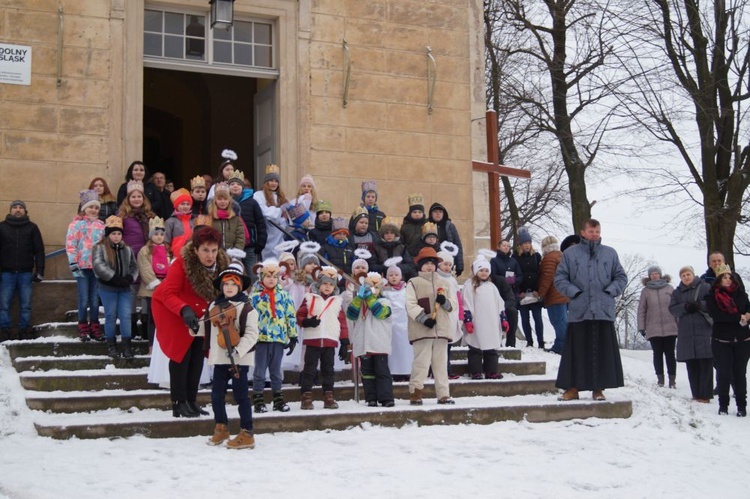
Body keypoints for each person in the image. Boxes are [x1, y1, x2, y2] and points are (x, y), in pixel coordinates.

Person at [152, 226, 229, 418]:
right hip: (173, 310)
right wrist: (184, 309)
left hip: (201, 312)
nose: (210, 255)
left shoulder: (221, 265)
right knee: (181, 354)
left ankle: (192, 401)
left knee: (197, 355)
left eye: (213, 250)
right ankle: (178, 403)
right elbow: (169, 293)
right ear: (195, 249)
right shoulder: (181, 264)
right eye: (205, 250)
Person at [554, 219, 626, 401]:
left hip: (602, 310)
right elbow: (560, 278)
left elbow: (621, 277)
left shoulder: (610, 253)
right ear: (583, 232)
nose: (595, 234)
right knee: (576, 352)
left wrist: (610, 291)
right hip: (579, 310)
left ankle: (598, 389)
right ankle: (572, 388)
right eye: (591, 231)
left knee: (601, 351)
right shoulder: (570, 254)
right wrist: (574, 292)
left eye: (597, 231)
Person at [204, 260, 259, 449]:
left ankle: (247, 432)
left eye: (233, 284)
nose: (229, 287)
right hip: (220, 357)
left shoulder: (247, 307)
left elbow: (252, 334)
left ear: (240, 286)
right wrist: (193, 328)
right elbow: (208, 329)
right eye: (226, 284)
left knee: (241, 395)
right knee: (216, 394)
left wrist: (237, 351)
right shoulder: (214, 305)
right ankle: (221, 427)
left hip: (240, 359)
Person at [406, 247, 457, 405]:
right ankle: (416, 392)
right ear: (420, 265)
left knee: (441, 365)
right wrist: (423, 318)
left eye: (432, 263)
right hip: (422, 330)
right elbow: (410, 304)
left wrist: (445, 302)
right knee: (421, 363)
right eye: (426, 263)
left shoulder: (444, 283)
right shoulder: (414, 283)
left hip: (441, 330)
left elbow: (453, 305)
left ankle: (443, 394)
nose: (430, 266)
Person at [297, 266, 349, 410]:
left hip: (329, 340)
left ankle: (328, 395)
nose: (328, 287)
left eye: (331, 284)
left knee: (328, 370)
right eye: (325, 283)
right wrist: (307, 322)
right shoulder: (310, 298)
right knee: (309, 369)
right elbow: (300, 315)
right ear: (319, 284)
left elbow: (342, 322)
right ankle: (306, 395)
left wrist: (344, 341)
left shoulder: (337, 301)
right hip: (313, 339)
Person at [250, 259, 298, 413]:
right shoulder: (255, 297)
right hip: (261, 338)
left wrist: (292, 336)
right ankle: (258, 399)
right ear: (261, 277)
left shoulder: (284, 296)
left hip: (278, 338)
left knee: (276, 371)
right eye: (267, 276)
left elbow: (290, 315)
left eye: (274, 276)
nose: (271, 279)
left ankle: (278, 399)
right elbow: (249, 317)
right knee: (259, 370)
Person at [705, 264, 750, 417]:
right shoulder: (712, 297)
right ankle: (723, 405)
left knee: (739, 373)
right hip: (721, 339)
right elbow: (717, 316)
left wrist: (747, 316)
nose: (727, 280)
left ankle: (741, 406)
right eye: (724, 277)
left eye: (729, 277)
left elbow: (747, 309)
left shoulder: (741, 295)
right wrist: (739, 317)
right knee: (724, 373)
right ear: (718, 280)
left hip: (743, 339)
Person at [92, 216, 139, 358]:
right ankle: (111, 345)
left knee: (125, 316)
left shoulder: (127, 249)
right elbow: (99, 265)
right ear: (108, 234)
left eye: (119, 233)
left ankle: (126, 345)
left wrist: (130, 278)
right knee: (111, 316)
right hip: (108, 287)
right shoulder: (100, 248)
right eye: (113, 233)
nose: (116, 236)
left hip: (124, 288)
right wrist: (113, 278)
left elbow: (133, 266)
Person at [347, 272, 394, 407]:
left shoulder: (385, 302)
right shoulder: (360, 303)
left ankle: (386, 398)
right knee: (367, 373)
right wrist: (358, 299)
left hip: (379, 342)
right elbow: (350, 315)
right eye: (368, 286)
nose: (372, 289)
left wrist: (370, 299)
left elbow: (380, 313)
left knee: (382, 371)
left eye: (375, 287)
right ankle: (371, 397)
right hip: (363, 343)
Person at [0, 200, 45, 342]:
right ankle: (5, 331)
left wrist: (39, 270)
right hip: (6, 273)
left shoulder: (32, 228)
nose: (18, 210)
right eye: (15, 207)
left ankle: (23, 330)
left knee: (25, 305)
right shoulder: (2, 227)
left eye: (20, 207)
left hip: (25, 273)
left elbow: (39, 251)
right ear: (10, 210)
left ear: (25, 211)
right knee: (4, 305)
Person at [668, 265, 713, 403]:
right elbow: (672, 309)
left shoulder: (705, 287)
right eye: (683, 275)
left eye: (688, 274)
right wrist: (685, 307)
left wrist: (700, 305)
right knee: (691, 364)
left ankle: (705, 395)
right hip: (686, 332)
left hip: (703, 330)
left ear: (693, 275)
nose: (686, 277)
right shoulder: (677, 292)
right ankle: (696, 393)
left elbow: (712, 303)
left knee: (705, 363)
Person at [66, 190, 105, 342]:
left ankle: (94, 325)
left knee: (95, 299)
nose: (93, 210)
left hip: (95, 267)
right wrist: (73, 263)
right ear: (84, 208)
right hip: (82, 267)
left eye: (96, 207)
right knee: (84, 298)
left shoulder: (101, 226)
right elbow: (71, 245)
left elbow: (104, 246)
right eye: (91, 207)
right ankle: (83, 326)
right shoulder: (76, 225)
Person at [119, 180, 155, 341]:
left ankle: (146, 322)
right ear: (128, 199)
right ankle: (132, 324)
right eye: (133, 196)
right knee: (132, 292)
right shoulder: (123, 217)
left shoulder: (149, 216)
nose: (136, 199)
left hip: (147, 258)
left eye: (139, 196)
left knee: (147, 292)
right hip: (131, 258)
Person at [462, 255, 505, 379]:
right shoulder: (470, 285)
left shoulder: (492, 287)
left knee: (491, 348)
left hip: (491, 322)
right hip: (477, 321)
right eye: (481, 270)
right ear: (476, 271)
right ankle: (475, 371)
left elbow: (500, 304)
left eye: (486, 271)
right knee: (475, 347)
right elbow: (467, 303)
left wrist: (503, 319)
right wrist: (468, 320)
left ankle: (491, 371)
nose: (484, 273)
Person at [637, 265, 679, 388]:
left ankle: (672, 380)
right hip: (653, 327)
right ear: (649, 277)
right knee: (657, 354)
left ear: (660, 275)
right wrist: (641, 326)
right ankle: (660, 379)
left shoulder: (670, 288)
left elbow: (676, 307)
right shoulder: (645, 291)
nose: (654, 275)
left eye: (656, 273)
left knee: (670, 354)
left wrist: (679, 324)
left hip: (670, 326)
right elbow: (641, 310)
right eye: (652, 274)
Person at [136, 217, 171, 348]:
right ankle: (151, 345)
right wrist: (156, 284)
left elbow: (172, 266)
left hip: (166, 288)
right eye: (156, 234)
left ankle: (164, 345)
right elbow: (145, 268)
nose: (159, 237)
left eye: (161, 234)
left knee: (164, 319)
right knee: (153, 318)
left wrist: (168, 284)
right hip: (152, 290)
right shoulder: (145, 251)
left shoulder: (168, 250)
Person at [228, 170, 267, 281]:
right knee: (233, 274)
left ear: (243, 186)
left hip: (249, 246)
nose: (235, 186)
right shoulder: (225, 202)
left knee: (253, 275)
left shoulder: (252, 202)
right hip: (232, 246)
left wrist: (260, 243)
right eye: (232, 184)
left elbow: (260, 223)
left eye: (238, 184)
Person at [537, 235, 569, 354]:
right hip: (565, 294)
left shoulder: (548, 259)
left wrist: (541, 293)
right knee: (564, 321)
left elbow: (547, 278)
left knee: (558, 321)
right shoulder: (562, 256)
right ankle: (564, 345)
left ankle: (562, 346)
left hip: (555, 295)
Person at [490, 239, 523, 347]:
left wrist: (513, 280)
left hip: (511, 294)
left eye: (508, 246)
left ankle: (511, 343)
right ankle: (496, 341)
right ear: (499, 247)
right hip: (498, 292)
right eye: (504, 245)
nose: (506, 247)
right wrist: (503, 280)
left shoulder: (513, 261)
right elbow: (492, 276)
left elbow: (520, 276)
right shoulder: (494, 261)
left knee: (512, 314)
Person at [382, 262, 412, 382]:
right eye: (391, 275)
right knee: (394, 349)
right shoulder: (385, 291)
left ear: (401, 276)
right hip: (391, 324)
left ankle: (407, 370)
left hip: (405, 323)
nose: (393, 277)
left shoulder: (406, 290)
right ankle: (395, 371)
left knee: (406, 348)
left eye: (396, 275)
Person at [253, 164, 289, 261]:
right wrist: (279, 211)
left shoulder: (281, 197)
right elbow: (262, 211)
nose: (274, 183)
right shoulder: (258, 195)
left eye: (276, 181)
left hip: (279, 234)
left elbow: (287, 214)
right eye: (271, 180)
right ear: (266, 182)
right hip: (267, 232)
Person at [516, 227, 544, 348]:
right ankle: (529, 341)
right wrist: (519, 291)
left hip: (535, 292)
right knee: (525, 318)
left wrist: (538, 290)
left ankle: (541, 341)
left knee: (538, 318)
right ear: (520, 245)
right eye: (524, 243)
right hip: (522, 293)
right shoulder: (515, 257)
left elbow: (541, 273)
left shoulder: (536, 256)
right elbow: (514, 276)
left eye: (528, 243)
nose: (527, 245)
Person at [209, 182, 245, 256]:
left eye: (225, 199)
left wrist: (235, 251)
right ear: (215, 200)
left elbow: (240, 236)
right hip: (215, 255)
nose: (222, 201)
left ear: (229, 200)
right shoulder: (210, 218)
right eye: (219, 199)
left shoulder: (235, 218)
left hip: (233, 255)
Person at [428, 202, 464, 276]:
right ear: (431, 213)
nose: (438, 214)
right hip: (431, 261)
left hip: (447, 261)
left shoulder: (450, 226)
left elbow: (457, 245)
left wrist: (459, 265)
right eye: (435, 212)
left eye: (440, 212)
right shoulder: (426, 225)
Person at [164, 188, 195, 258]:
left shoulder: (193, 220)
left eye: (188, 204)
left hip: (192, 255)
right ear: (176, 205)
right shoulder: (170, 222)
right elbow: (166, 241)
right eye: (182, 204)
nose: (185, 206)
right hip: (176, 255)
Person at [400, 193, 427, 258]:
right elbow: (401, 242)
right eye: (414, 212)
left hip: (423, 255)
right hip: (408, 256)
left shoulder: (427, 225)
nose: (417, 214)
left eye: (420, 212)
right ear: (410, 213)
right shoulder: (405, 226)